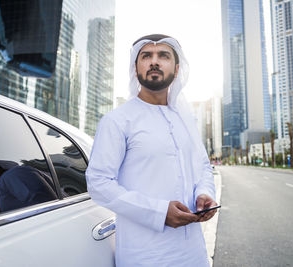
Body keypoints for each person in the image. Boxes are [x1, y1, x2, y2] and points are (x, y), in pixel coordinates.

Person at [86, 34, 218, 267]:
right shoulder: (118, 120)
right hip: (145, 256)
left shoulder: (185, 120)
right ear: (135, 67)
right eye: (146, 56)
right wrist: (159, 212)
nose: (154, 62)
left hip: (194, 253)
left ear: (176, 69)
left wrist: (205, 194)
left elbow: (203, 167)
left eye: (163, 56)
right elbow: (98, 183)